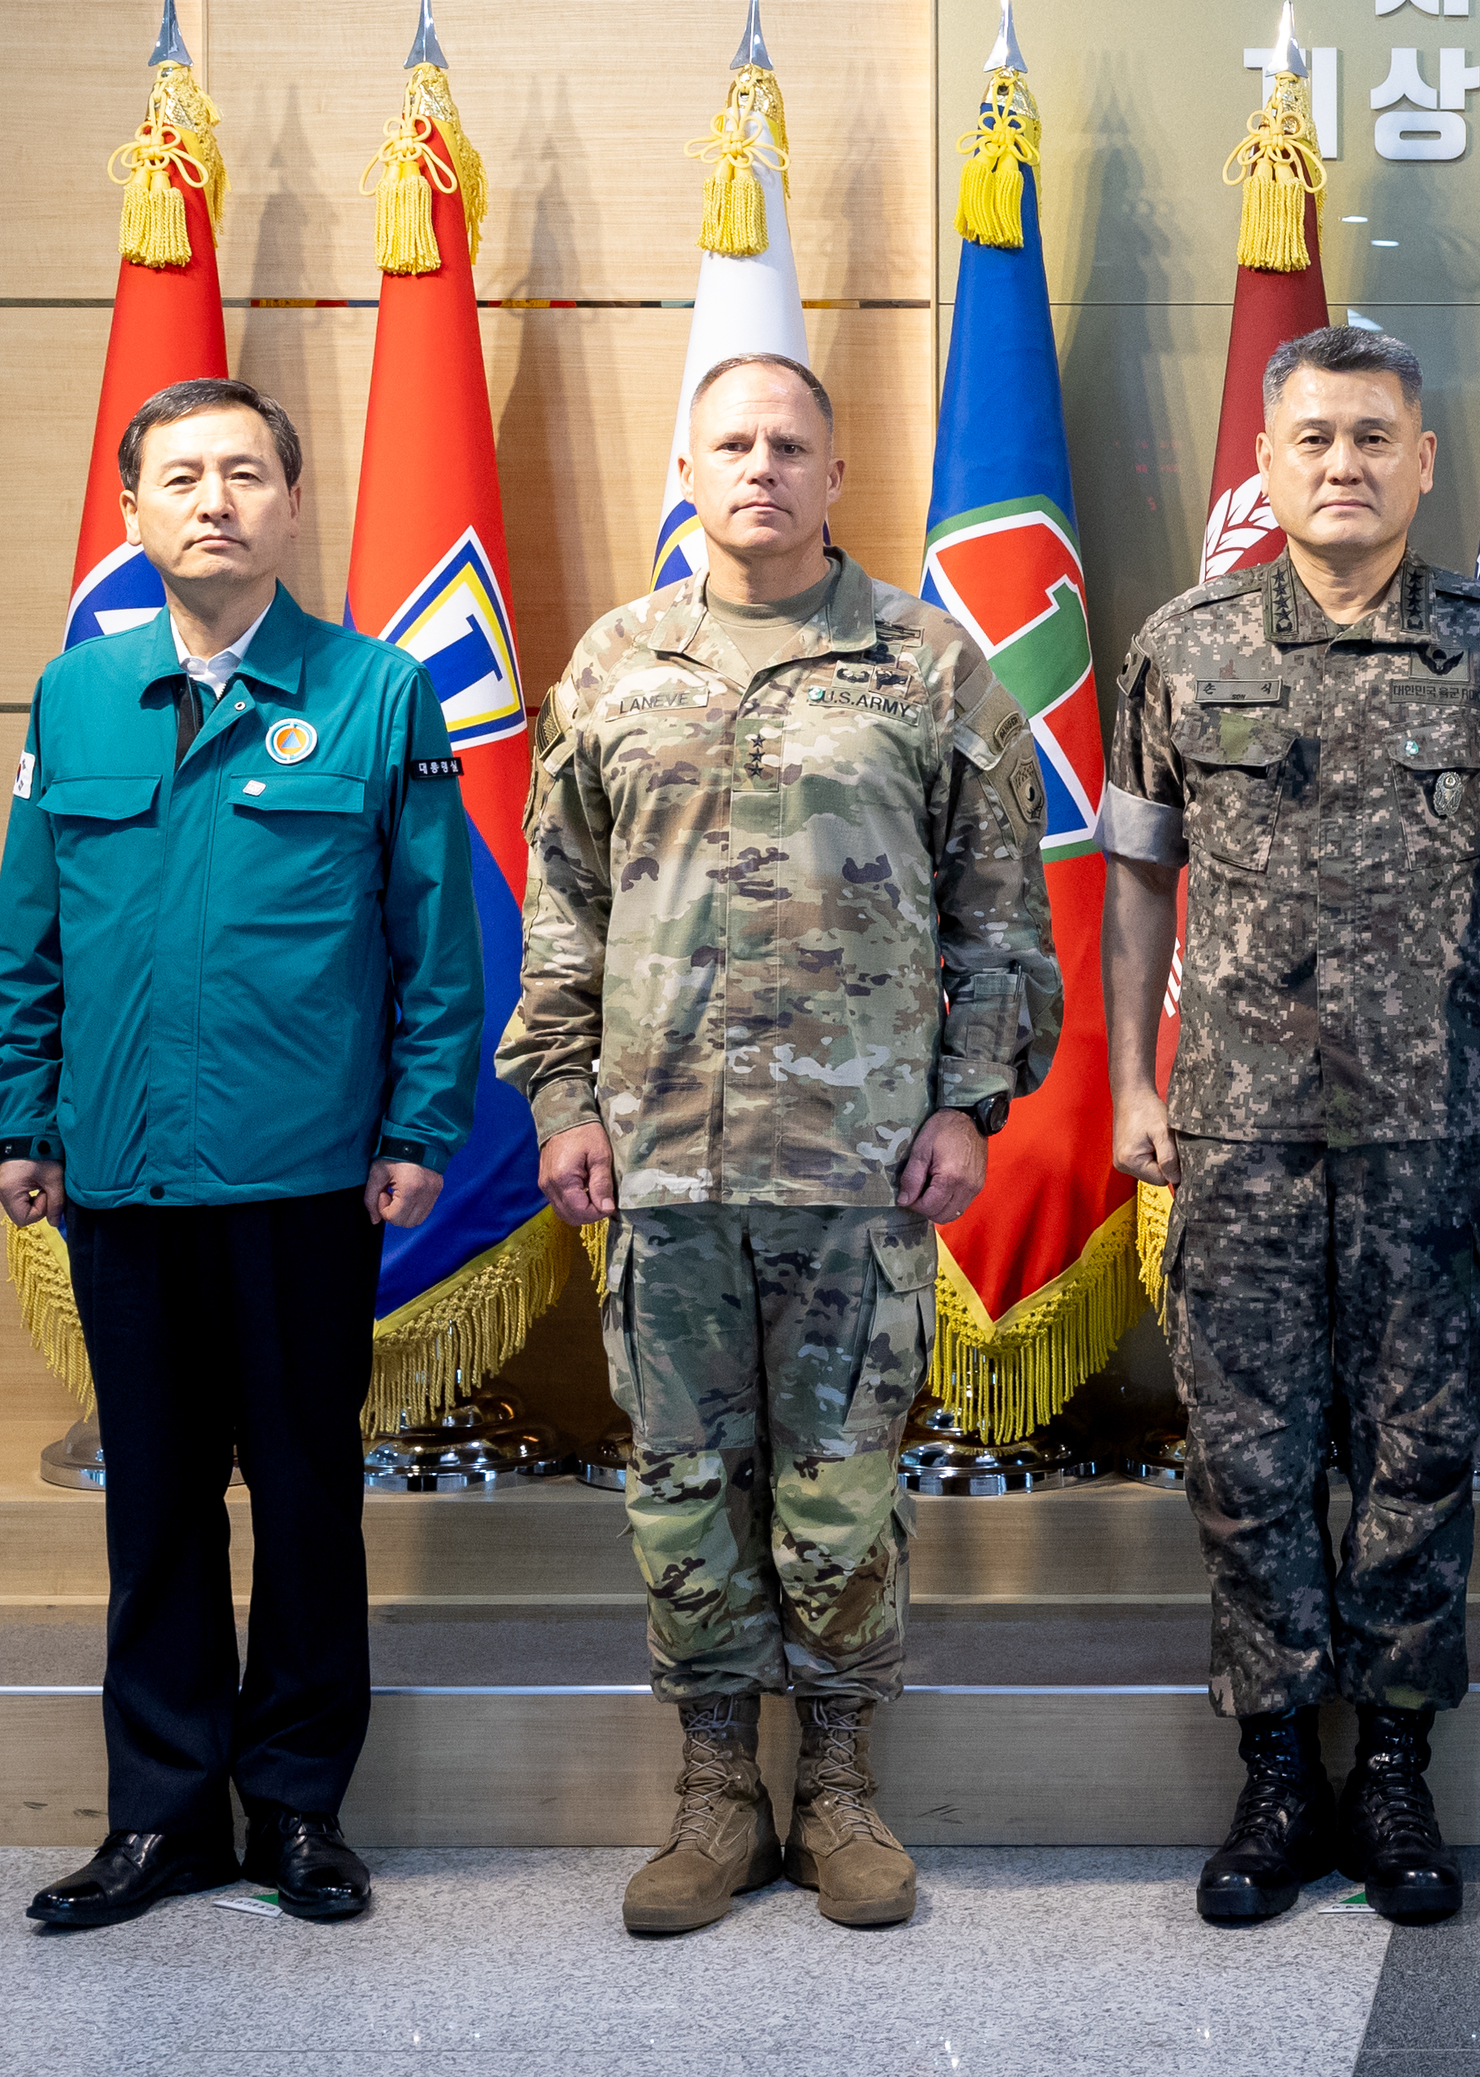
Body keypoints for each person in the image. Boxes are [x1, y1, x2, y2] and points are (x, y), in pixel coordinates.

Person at [504, 352, 1059, 1938]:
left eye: (789, 444)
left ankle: (835, 1783)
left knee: (837, 1489)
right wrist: (560, 1101)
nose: (759, 465)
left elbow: (1003, 919)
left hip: (859, 1162)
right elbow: (566, 914)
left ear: (834, 477)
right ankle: (712, 1790)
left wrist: (968, 1099)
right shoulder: (615, 663)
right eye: (731, 443)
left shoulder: (926, 664)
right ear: (686, 469)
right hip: (660, 1160)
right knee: (683, 1486)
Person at [1096, 322, 1480, 1929]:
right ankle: (1274, 1769)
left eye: (1375, 437)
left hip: (1430, 1123)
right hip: (1235, 1128)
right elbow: (1138, 877)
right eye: (1313, 438)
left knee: (1421, 1445)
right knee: (1245, 1452)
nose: (1344, 465)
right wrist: (1129, 1082)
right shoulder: (1181, 645)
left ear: (1424, 460)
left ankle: (1390, 1759)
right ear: (1266, 460)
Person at [0, 377, 483, 1931]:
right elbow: (31, 924)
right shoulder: (76, 696)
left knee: (309, 1506)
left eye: (246, 474)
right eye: (182, 475)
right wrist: (21, 1108)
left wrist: (419, 1129)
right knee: (156, 1518)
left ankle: (295, 1813)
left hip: (301, 1176)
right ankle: (161, 1820)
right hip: (119, 1175)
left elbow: (436, 943)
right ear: (132, 511)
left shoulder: (376, 695)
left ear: (289, 503)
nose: (215, 499)